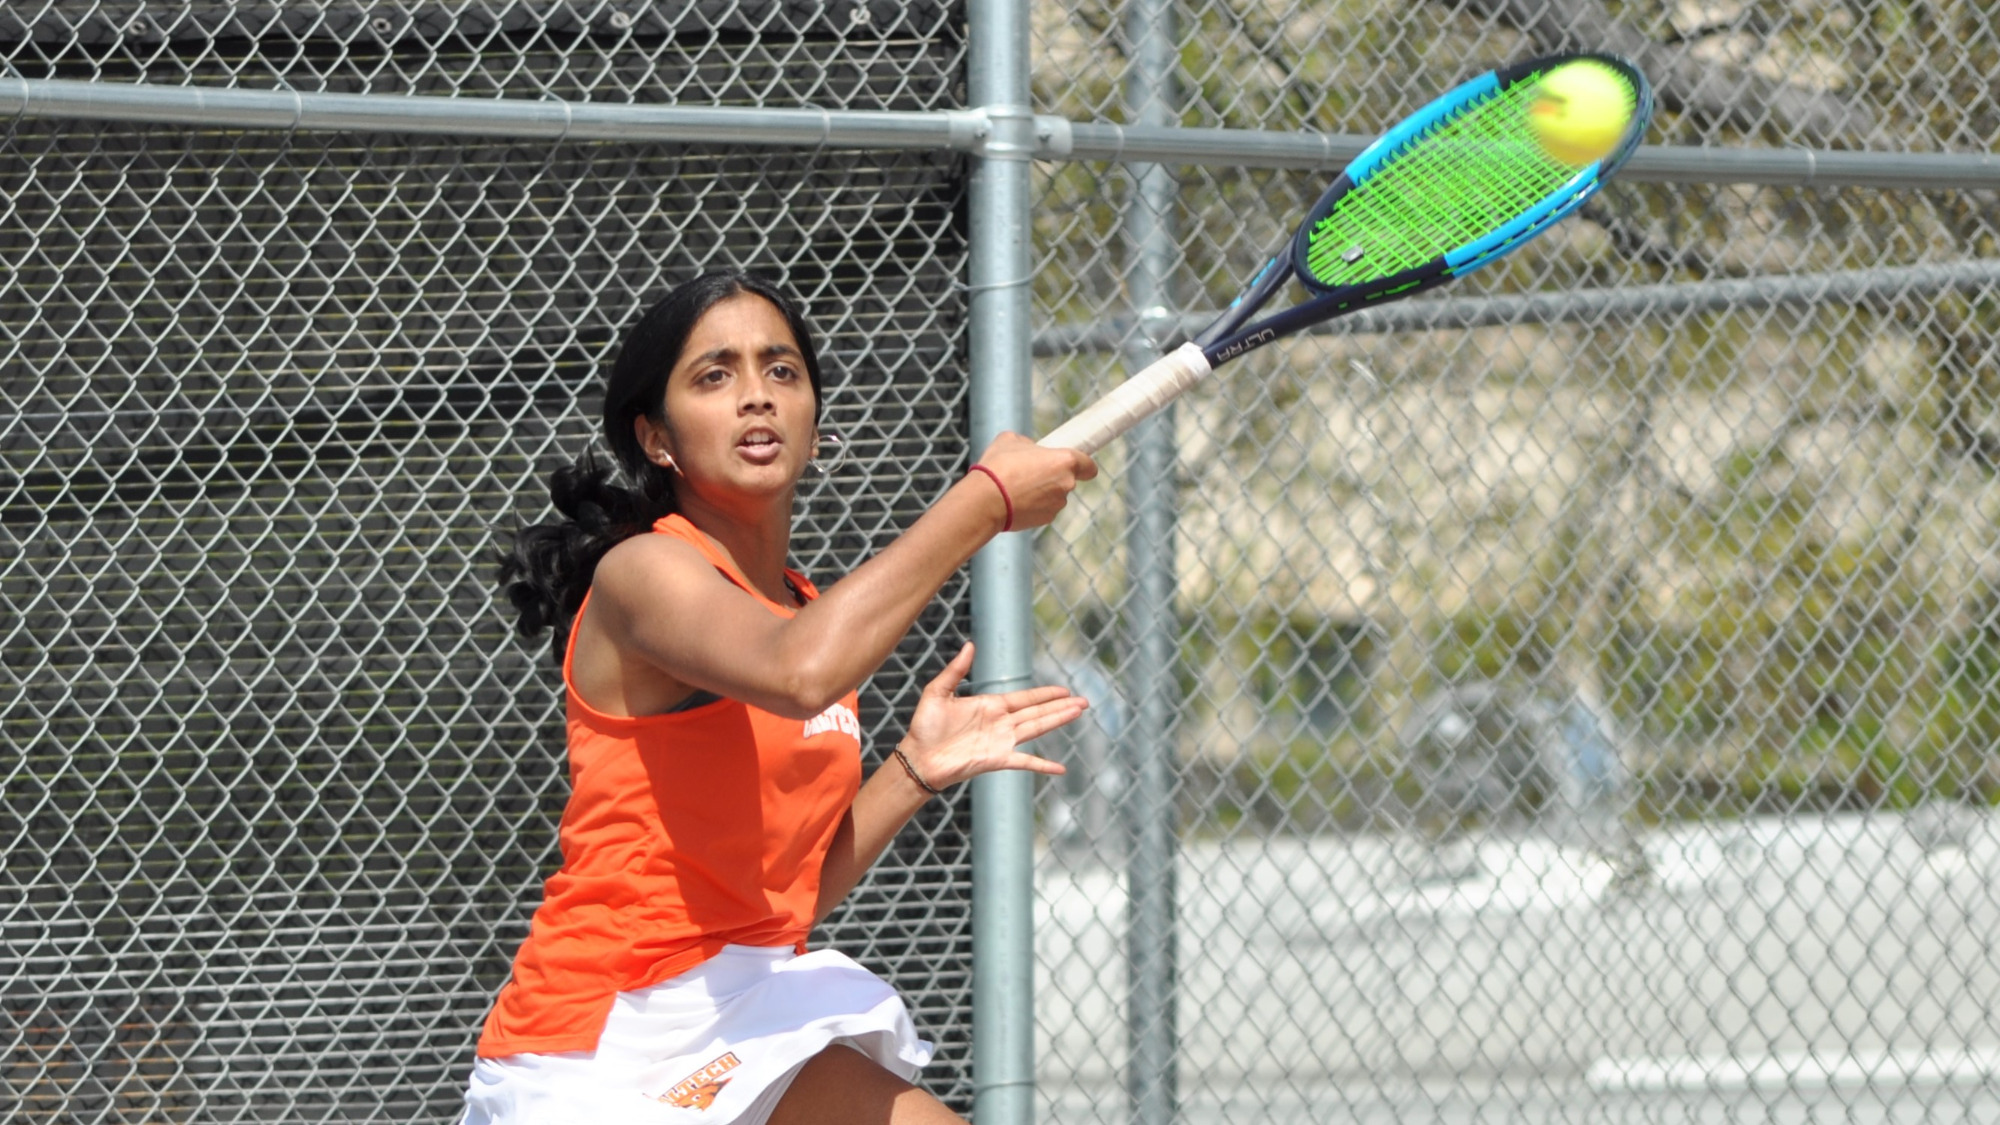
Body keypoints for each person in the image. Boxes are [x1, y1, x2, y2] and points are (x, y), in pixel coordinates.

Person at [461, 270, 1098, 1125]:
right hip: (600, 1039)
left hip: (742, 1000)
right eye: (714, 375)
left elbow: (785, 892)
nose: (755, 396)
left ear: (816, 427)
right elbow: (801, 672)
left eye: (781, 370)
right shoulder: (645, 574)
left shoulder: (801, 608)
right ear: (657, 439)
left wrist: (913, 768)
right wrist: (983, 502)